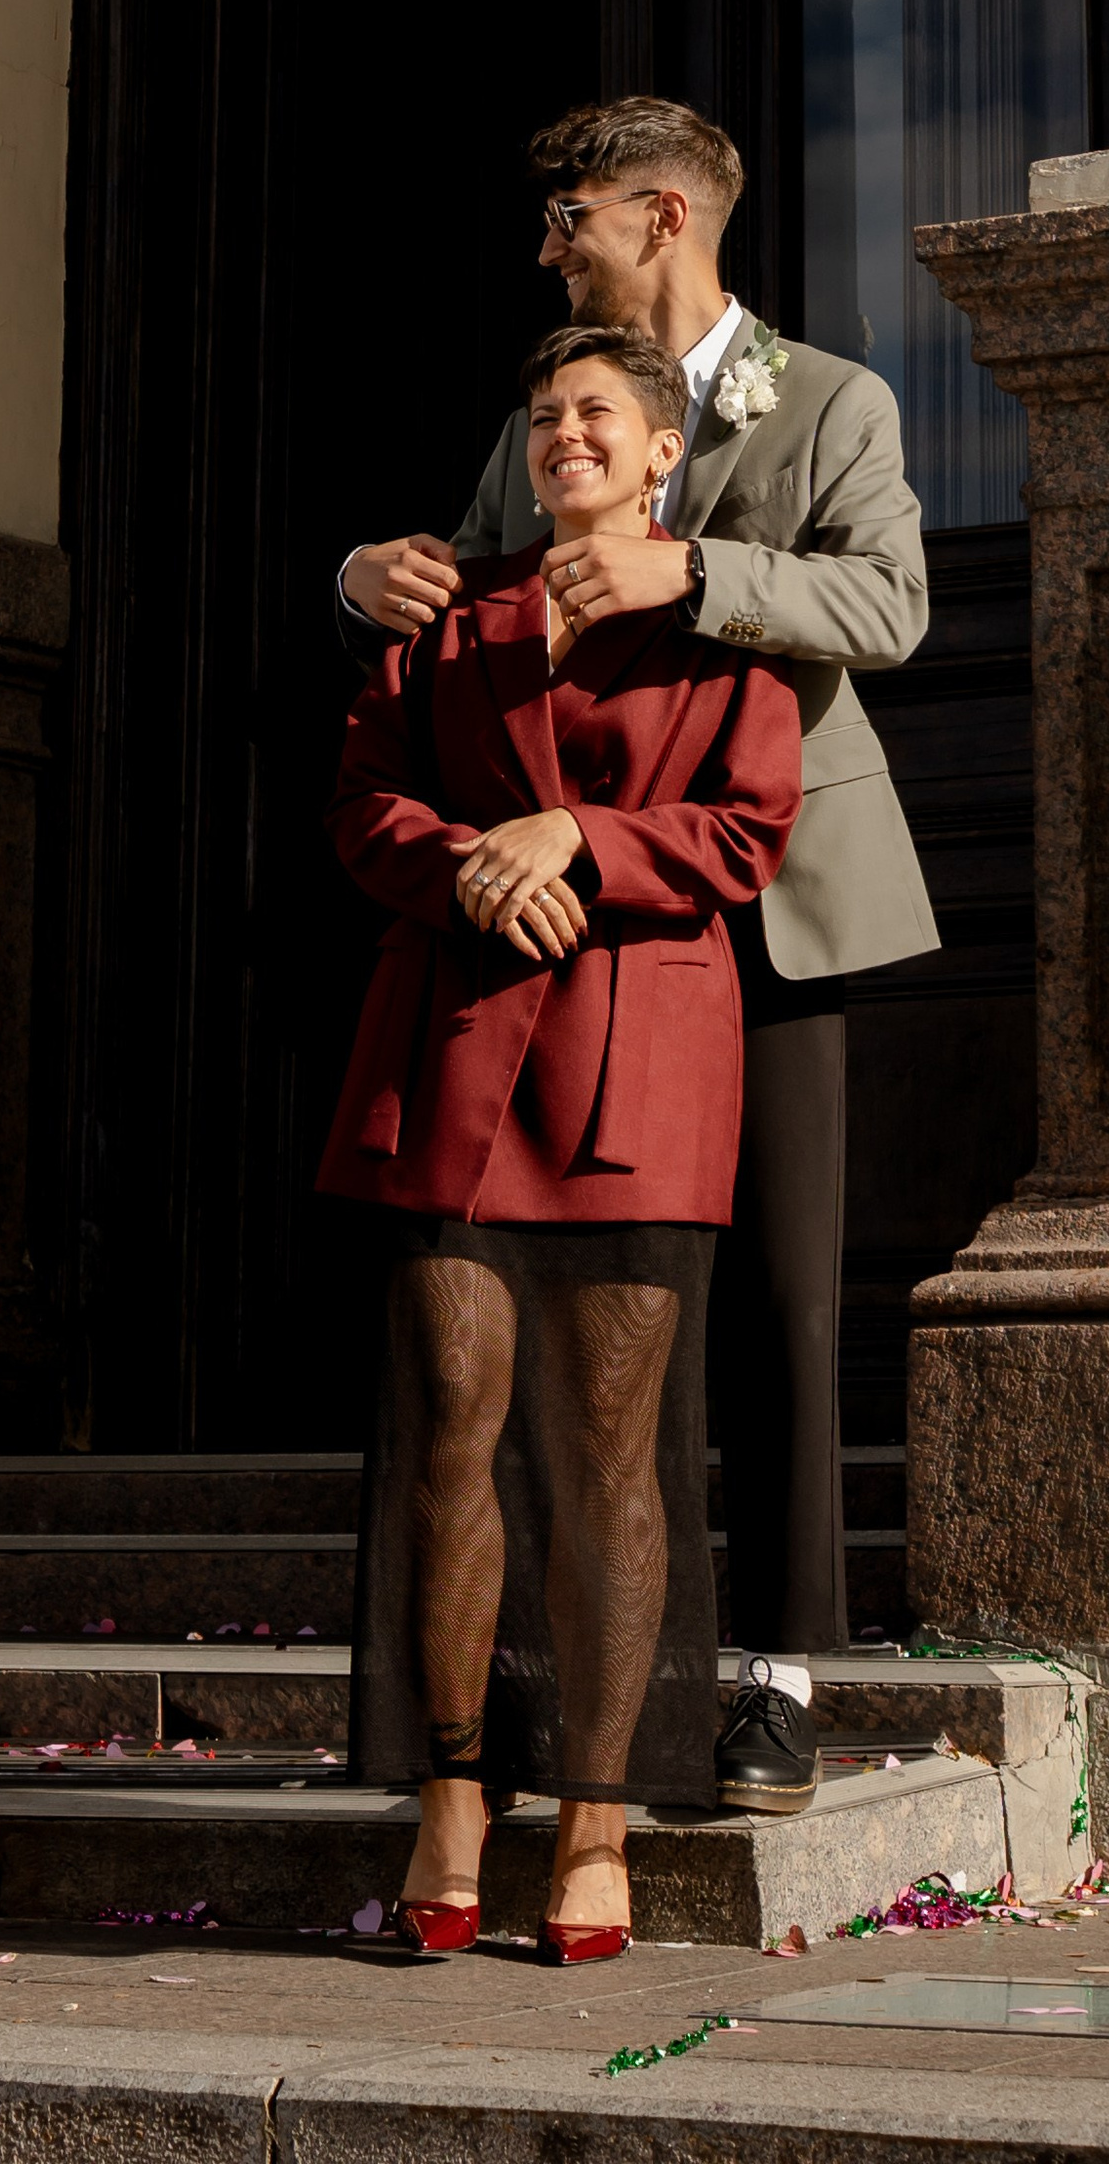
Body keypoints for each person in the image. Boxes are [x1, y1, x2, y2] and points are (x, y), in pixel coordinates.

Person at [341, 97, 934, 1813]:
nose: (549, 249)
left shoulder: (836, 400)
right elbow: (476, 597)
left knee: (784, 1301)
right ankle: (554, 1678)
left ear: (664, 216)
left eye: (571, 218)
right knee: (592, 1310)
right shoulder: (545, 408)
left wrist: (698, 573)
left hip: (776, 898)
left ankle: (776, 1677)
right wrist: (362, 578)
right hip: (578, 929)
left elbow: (890, 609)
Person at [322, 324, 802, 1963]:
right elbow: (363, 800)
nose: (564, 436)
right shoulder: (452, 615)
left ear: (667, 448)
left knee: (610, 1450)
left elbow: (747, 830)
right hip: (454, 1050)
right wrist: (472, 867)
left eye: (597, 412)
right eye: (543, 418)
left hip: (636, 1069)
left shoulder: (724, 621)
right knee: (452, 1429)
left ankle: (596, 1818)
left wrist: (578, 840)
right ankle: (453, 1795)